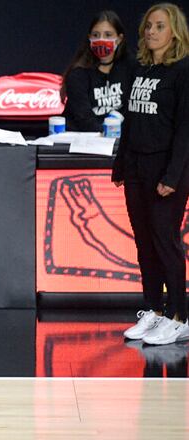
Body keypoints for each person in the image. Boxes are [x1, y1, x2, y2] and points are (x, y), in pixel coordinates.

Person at [114, 3, 189, 345]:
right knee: (145, 244)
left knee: (165, 242)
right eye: (148, 26)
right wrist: (121, 165)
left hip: (167, 170)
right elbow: (131, 121)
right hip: (136, 168)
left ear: (174, 31)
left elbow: (185, 130)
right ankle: (153, 311)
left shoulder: (183, 71)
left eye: (159, 26)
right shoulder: (140, 68)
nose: (151, 32)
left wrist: (172, 176)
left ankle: (179, 316)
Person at [61, 10, 134, 132]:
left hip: (117, 141)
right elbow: (84, 119)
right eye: (96, 35)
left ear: (119, 39)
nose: (101, 40)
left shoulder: (130, 67)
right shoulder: (78, 74)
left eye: (108, 35)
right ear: (89, 38)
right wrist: (109, 133)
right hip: (83, 139)